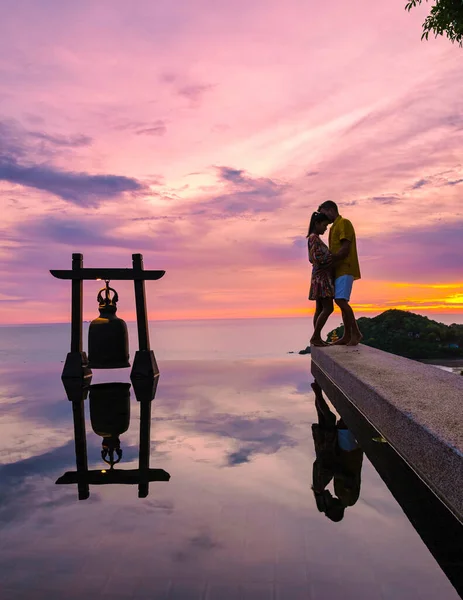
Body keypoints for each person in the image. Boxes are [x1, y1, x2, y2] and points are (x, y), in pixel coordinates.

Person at [311, 380, 363, 522]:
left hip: (344, 452)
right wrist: (331, 473)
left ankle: (320, 392)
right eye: (329, 508)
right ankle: (353, 393)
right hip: (349, 453)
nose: (329, 503)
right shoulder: (348, 500)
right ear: (335, 510)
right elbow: (349, 478)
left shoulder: (340, 495)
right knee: (344, 424)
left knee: (336, 422)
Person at [318, 200, 362, 346]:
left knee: (340, 301)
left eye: (323, 213)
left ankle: (356, 333)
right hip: (338, 270)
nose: (323, 218)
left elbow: (345, 249)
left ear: (330, 210)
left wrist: (328, 260)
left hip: (345, 268)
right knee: (342, 301)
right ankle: (347, 335)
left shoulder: (344, 223)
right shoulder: (333, 228)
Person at [307, 211, 334, 347]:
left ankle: (317, 337)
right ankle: (315, 336)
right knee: (328, 308)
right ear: (317, 224)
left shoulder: (313, 238)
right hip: (322, 277)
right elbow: (317, 258)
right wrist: (333, 257)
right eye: (324, 225)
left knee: (319, 308)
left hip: (318, 276)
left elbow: (312, 258)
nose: (325, 228)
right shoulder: (314, 238)